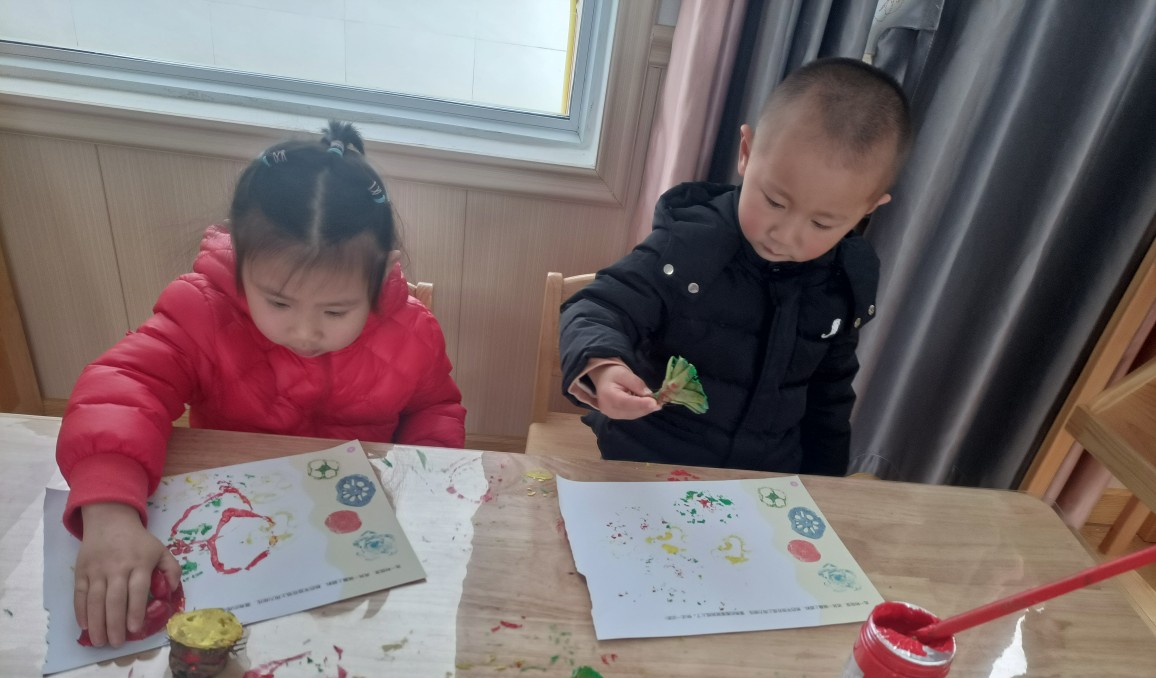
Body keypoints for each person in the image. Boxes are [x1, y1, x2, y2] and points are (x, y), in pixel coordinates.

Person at [57, 121, 466, 647]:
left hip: (347, 542)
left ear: (381, 274)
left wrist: (418, 487)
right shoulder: (203, 312)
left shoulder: (413, 333)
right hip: (229, 529)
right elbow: (123, 387)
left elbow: (435, 410)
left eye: (336, 310)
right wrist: (110, 510)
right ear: (242, 261)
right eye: (278, 302)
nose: (305, 332)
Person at [560, 57, 910, 475]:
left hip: (764, 477)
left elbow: (829, 399)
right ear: (746, 153)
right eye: (774, 201)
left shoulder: (843, 283)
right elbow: (597, 308)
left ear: (867, 209)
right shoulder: (686, 246)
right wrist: (604, 365)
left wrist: (825, 486)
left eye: (822, 223)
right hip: (650, 459)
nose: (786, 234)